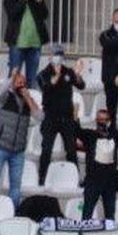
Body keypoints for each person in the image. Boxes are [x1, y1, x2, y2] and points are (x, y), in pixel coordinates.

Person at [0, 70, 40, 207]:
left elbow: (39, 116)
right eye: (19, 82)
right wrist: (11, 78)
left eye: (24, 83)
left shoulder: (27, 101)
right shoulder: (4, 97)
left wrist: (29, 98)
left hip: (18, 151)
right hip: (0, 147)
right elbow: (0, 92)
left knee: (16, 185)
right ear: (12, 84)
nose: (22, 85)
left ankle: (14, 212)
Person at [37, 46, 86, 183]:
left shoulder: (68, 72)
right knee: (46, 149)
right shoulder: (43, 73)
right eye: (55, 54)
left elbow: (81, 85)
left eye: (59, 55)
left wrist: (77, 74)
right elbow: (46, 86)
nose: (57, 57)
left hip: (67, 118)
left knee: (71, 150)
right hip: (50, 117)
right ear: (50, 57)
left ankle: (75, 178)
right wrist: (57, 75)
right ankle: (42, 178)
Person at [1, 0, 49, 87]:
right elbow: (13, 13)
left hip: (35, 44)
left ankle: (29, 103)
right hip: (18, 44)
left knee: (31, 79)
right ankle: (10, 103)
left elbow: (44, 15)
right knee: (13, 77)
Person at [81, 107, 118, 220]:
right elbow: (74, 130)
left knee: (110, 216)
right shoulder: (89, 135)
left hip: (109, 181)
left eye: (104, 119)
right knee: (87, 214)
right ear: (96, 120)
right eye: (99, 119)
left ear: (109, 121)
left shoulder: (115, 136)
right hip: (92, 180)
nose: (102, 122)